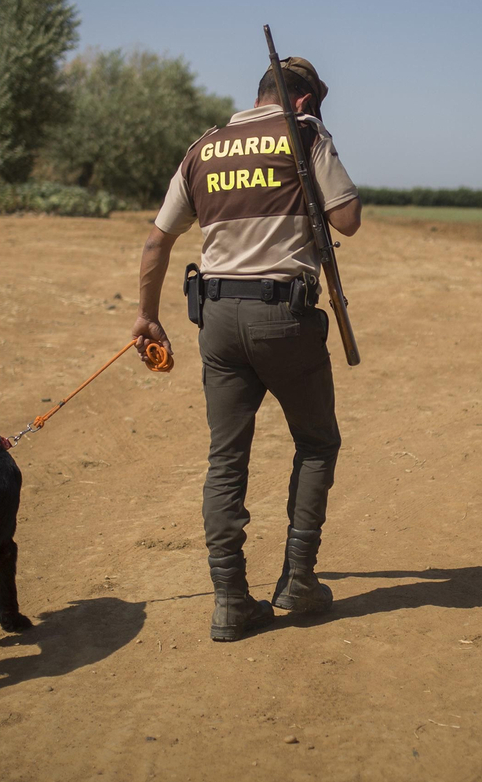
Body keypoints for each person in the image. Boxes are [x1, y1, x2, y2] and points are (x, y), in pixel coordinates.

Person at [132, 56, 361, 642]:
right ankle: (298, 582)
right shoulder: (305, 134)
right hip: (284, 317)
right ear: (306, 102)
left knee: (226, 459)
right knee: (316, 442)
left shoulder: (204, 146)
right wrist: (316, 152)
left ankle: (231, 600)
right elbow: (349, 219)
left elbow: (158, 242)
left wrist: (147, 317)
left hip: (216, 319)